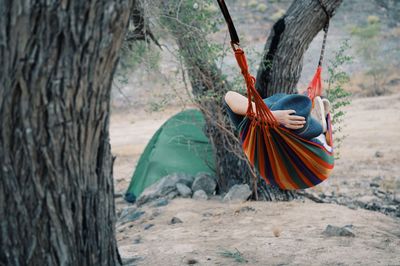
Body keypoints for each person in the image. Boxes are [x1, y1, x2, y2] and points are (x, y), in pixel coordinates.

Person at [223, 91, 332, 151]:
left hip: (272, 108)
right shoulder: (252, 130)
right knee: (314, 136)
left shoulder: (250, 129)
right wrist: (272, 117)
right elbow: (229, 96)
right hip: (294, 133)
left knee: (299, 115)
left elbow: (229, 96)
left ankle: (314, 118)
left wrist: (269, 115)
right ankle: (316, 120)